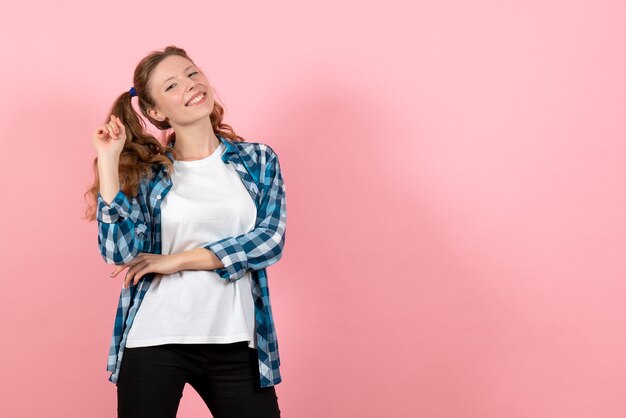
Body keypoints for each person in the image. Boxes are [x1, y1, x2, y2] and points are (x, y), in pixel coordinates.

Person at [83, 45, 286, 418]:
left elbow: (269, 241)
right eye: (172, 85)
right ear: (157, 112)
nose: (191, 86)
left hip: (236, 338)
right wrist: (109, 162)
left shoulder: (258, 159)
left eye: (193, 74)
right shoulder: (151, 174)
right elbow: (119, 252)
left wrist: (176, 260)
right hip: (156, 337)